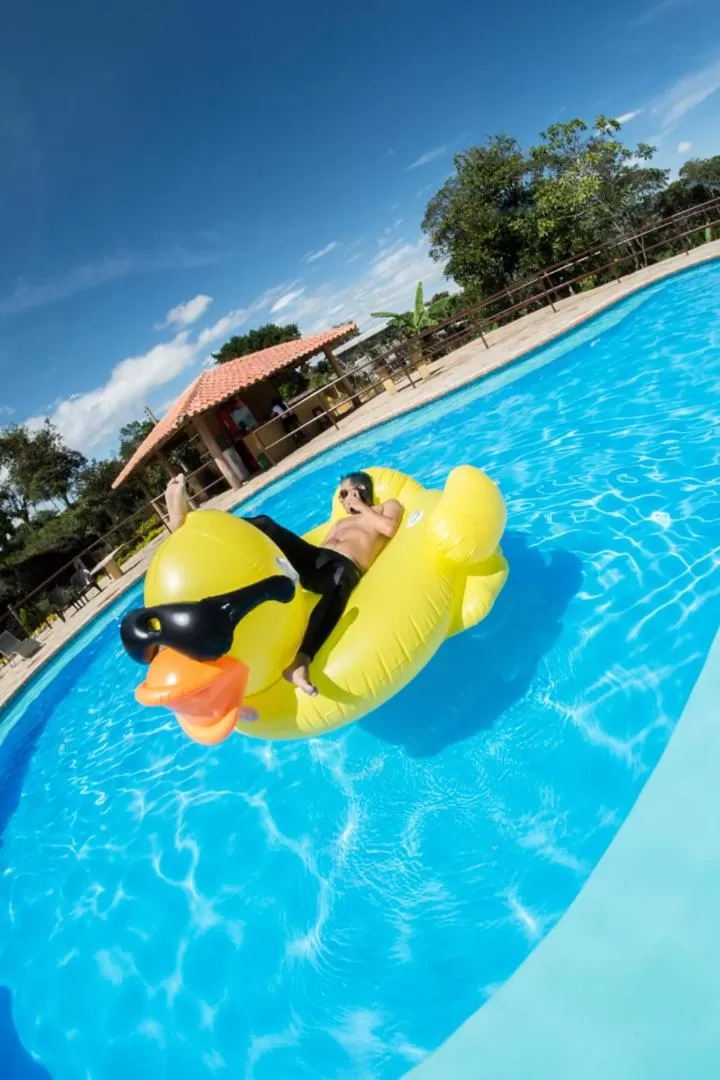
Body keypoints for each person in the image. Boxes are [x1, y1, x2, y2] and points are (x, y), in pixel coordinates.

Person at [165, 471, 403, 695]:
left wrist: (361, 507)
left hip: (344, 566)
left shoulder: (387, 507)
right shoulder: (339, 522)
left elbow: (389, 528)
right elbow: (317, 550)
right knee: (265, 523)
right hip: (315, 562)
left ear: (360, 490)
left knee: (340, 578)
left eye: (343, 494)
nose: (341, 501)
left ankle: (300, 662)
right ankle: (192, 524)